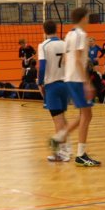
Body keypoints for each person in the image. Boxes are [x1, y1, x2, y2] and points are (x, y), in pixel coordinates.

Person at [49, 7, 101, 167]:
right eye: (87, 17)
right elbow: (78, 59)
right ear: (83, 18)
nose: (88, 19)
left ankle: (59, 137)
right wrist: (86, 82)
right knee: (87, 115)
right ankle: (80, 154)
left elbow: (66, 59)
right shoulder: (80, 34)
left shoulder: (69, 34)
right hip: (77, 79)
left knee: (85, 114)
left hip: (69, 78)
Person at [39, 21, 71, 162]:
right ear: (56, 29)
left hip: (52, 85)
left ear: (44, 30)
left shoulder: (43, 45)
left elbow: (42, 67)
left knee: (57, 120)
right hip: (65, 84)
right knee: (62, 118)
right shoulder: (64, 44)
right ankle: (66, 149)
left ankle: (61, 153)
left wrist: (40, 83)